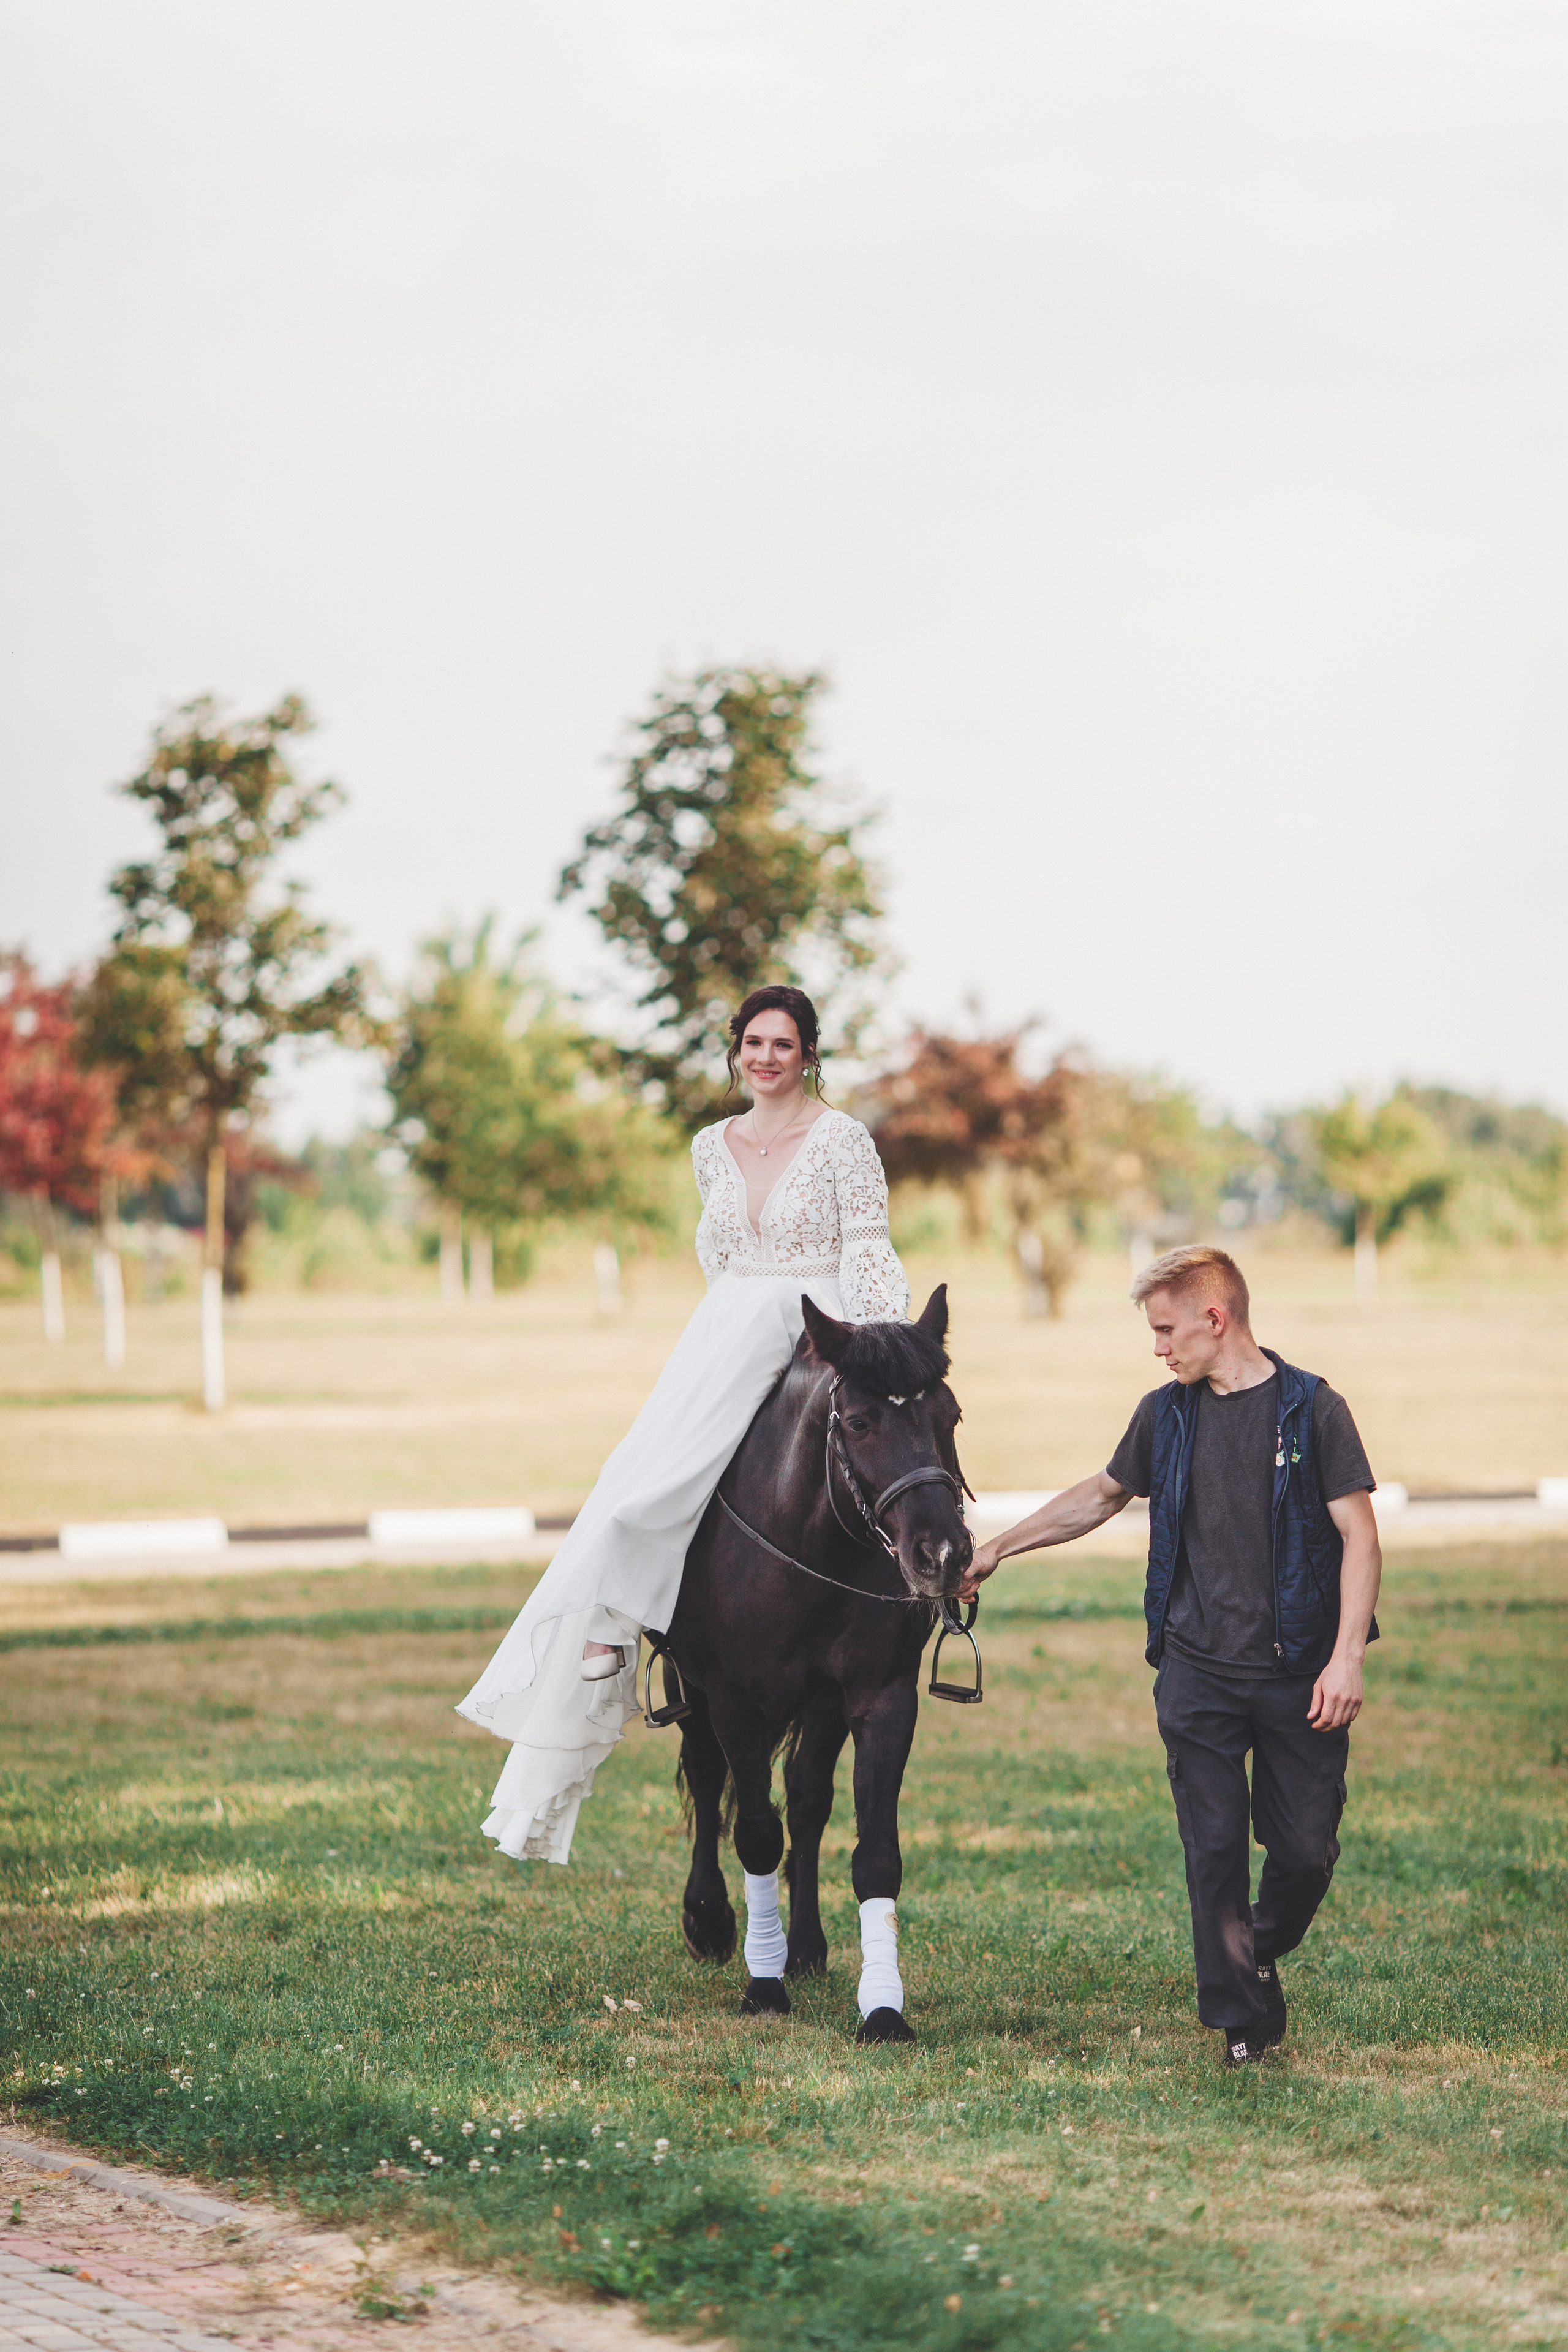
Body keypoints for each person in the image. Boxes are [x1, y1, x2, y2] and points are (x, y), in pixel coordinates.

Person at [457, 984, 913, 1864]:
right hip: (727, 1326)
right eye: (753, 1043)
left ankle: (908, 1580)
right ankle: (616, 1618)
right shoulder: (711, 1146)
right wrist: (715, 1342)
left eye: (783, 1044)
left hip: (816, 1317)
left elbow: (867, 1243)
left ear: (809, 1055)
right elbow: (719, 1255)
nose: (766, 1058)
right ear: (736, 1052)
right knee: (639, 1474)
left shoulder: (844, 1140)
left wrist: (873, 1346)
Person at [960, 1243, 1381, 2066]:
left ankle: (1257, 1947)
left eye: (1165, 1331)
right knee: (1213, 1850)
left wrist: (1346, 1659)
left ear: (1214, 1319)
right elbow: (1101, 1495)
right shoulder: (1166, 1415)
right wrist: (998, 1548)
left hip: (1299, 1674)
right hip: (1197, 1673)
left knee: (1305, 1853)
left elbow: (1360, 1536)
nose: (1157, 1348)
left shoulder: (1314, 1410)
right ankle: (1240, 2025)